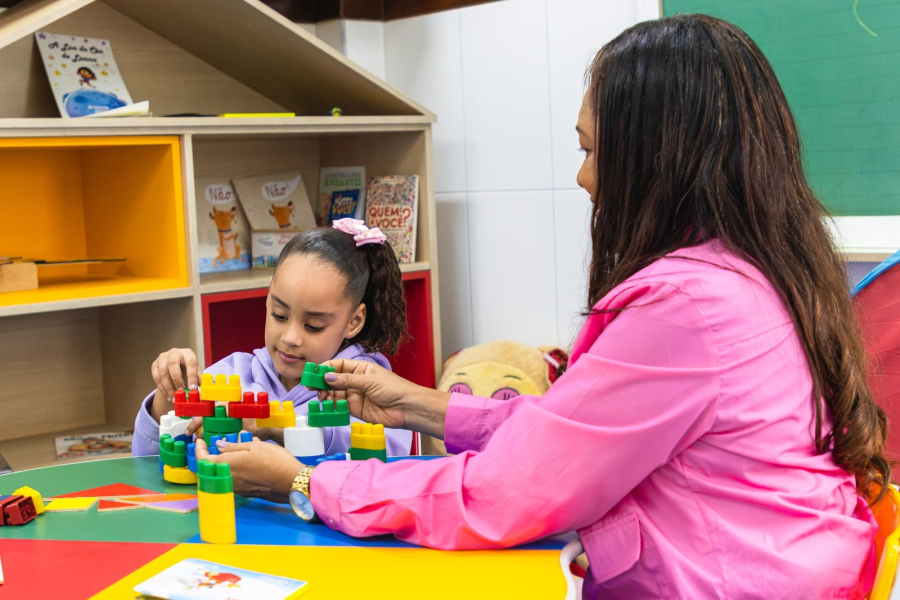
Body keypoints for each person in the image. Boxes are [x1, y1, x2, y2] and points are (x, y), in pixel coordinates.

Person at [194, 15, 890, 598]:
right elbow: (577, 430)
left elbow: (508, 491)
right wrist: (415, 404)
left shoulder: (689, 308)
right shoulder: (749, 271)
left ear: (657, 157)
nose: (582, 176)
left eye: (591, 150)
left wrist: (306, 481)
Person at [132, 219, 412, 458]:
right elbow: (147, 463)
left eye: (313, 326)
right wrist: (170, 395)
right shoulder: (234, 374)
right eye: (279, 315)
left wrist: (278, 428)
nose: (290, 338)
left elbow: (390, 455)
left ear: (354, 321)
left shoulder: (366, 385)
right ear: (268, 297)